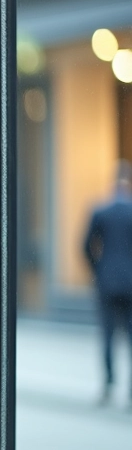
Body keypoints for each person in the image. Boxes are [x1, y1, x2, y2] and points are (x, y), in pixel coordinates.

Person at [84, 160, 132, 404]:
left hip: (107, 281)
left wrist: (98, 269)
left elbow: (85, 245)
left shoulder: (101, 210)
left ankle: (109, 385)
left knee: (108, 335)